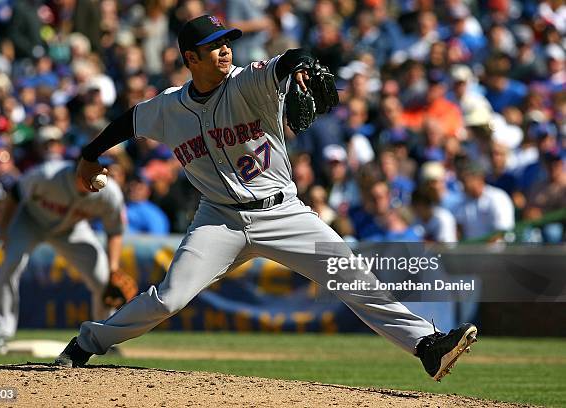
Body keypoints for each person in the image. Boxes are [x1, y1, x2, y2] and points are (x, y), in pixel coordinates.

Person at [55, 15, 478, 382]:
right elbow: (127, 122)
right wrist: (89, 156)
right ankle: (86, 342)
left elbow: (289, 58)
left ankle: (426, 345)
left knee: (350, 275)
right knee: (169, 297)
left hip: (282, 213)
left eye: (225, 44)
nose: (224, 52)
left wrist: (303, 65)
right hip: (217, 220)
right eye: (212, 47)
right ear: (191, 59)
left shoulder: (247, 83)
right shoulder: (169, 107)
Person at [0, 160, 125, 354]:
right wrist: (2, 228)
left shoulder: (110, 194)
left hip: (71, 229)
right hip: (29, 220)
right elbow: (16, 192)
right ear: (78, 171)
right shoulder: (48, 174)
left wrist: (114, 267)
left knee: (103, 279)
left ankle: (104, 338)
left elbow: (115, 231)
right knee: (10, 265)